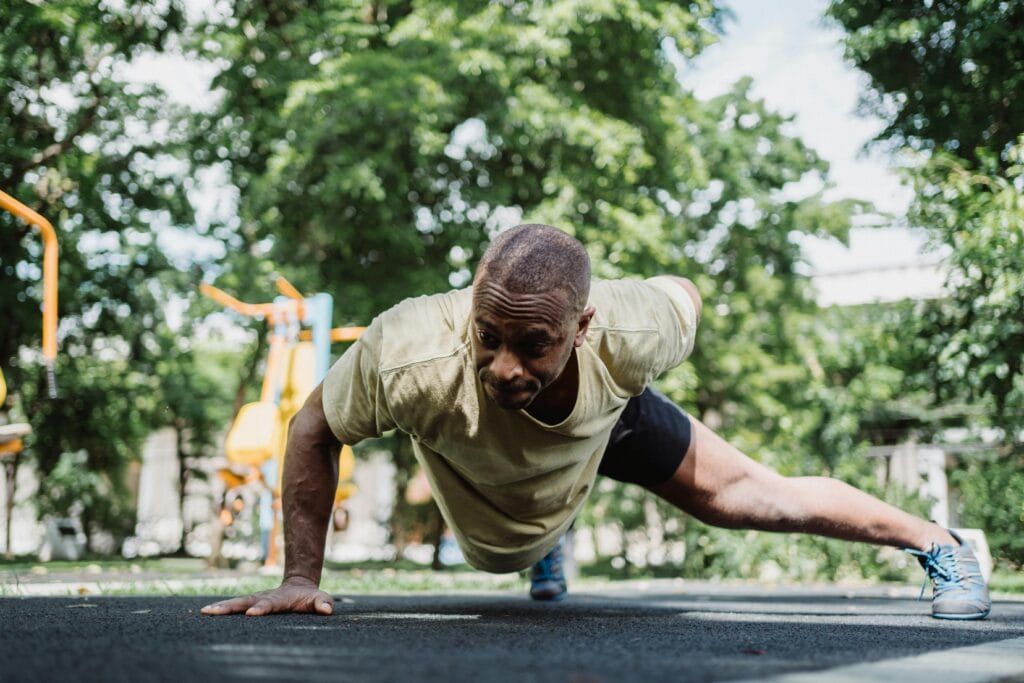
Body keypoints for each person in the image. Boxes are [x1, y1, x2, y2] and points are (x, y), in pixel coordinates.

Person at [202, 224, 990, 620]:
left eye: (533, 344)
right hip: (480, 462)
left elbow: (684, 292)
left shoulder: (629, 330)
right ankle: (553, 535)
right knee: (497, 555)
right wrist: (301, 576)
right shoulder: (409, 353)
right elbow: (313, 428)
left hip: (609, 415)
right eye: (489, 334)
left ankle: (940, 543)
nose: (505, 365)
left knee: (751, 495)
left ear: (580, 327)